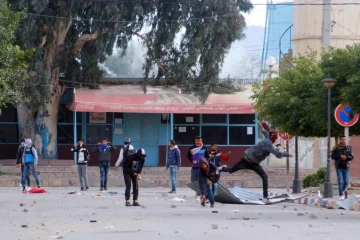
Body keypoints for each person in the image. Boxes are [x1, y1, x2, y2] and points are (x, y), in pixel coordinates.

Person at [220, 127, 292, 202]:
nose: (276, 139)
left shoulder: (268, 139)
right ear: (273, 137)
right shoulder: (268, 144)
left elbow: (264, 132)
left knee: (264, 176)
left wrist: (268, 130)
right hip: (246, 161)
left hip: (252, 163)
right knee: (232, 170)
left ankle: (265, 196)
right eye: (276, 137)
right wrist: (287, 154)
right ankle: (221, 169)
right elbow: (277, 154)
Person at [331, 135, 354, 200]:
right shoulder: (336, 148)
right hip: (339, 167)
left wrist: (346, 157)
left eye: (344, 139)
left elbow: (351, 157)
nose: (343, 140)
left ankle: (342, 191)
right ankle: (341, 195)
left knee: (346, 182)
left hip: (346, 167)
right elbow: (332, 156)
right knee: (341, 181)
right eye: (342, 139)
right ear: (340, 140)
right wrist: (339, 156)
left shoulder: (348, 148)